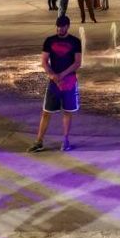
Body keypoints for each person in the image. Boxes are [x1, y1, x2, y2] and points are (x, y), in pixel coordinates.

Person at [29, 16, 81, 153]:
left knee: (68, 112)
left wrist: (62, 75)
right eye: (58, 26)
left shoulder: (75, 41)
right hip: (54, 82)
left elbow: (77, 63)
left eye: (62, 27)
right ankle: (39, 141)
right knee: (46, 112)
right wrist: (52, 75)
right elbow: (44, 61)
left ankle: (65, 140)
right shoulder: (49, 41)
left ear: (68, 26)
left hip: (69, 81)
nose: (60, 29)